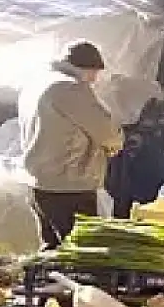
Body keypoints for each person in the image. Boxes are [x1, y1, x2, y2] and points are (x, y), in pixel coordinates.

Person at [18, 41, 125, 247]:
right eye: (94, 73)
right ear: (86, 68)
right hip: (68, 185)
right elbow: (106, 130)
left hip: (39, 182)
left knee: (52, 249)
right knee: (80, 252)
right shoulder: (69, 88)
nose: (94, 81)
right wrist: (117, 141)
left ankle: (45, 280)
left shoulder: (36, 83)